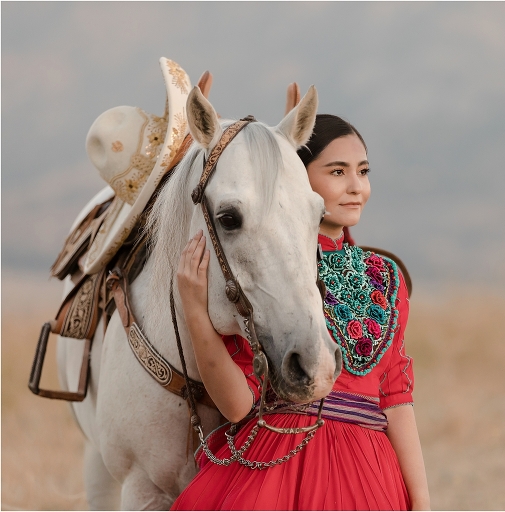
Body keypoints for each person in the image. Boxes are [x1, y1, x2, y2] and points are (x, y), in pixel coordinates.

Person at [171, 114, 430, 510]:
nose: (356, 187)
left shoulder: (386, 276)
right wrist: (195, 310)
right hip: (280, 465)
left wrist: (422, 501)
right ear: (297, 177)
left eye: (363, 171)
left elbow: (395, 398)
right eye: (338, 171)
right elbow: (238, 405)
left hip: (372, 477)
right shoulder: (265, 269)